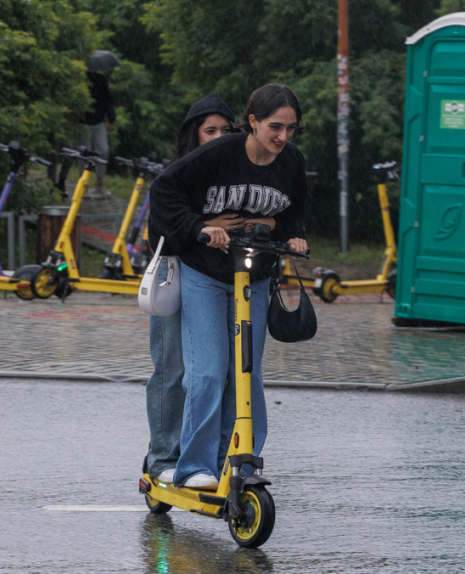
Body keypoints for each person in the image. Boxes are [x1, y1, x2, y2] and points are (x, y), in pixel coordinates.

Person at [149, 84, 309, 490]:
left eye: (291, 129)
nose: (282, 138)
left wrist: (293, 236)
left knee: (247, 373)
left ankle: (242, 460)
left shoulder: (291, 162)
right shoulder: (220, 153)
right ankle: (194, 466)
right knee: (207, 370)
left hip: (253, 276)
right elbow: (165, 190)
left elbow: (295, 211)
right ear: (252, 121)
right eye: (275, 127)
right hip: (204, 273)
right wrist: (200, 228)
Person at [146, 94, 244, 484]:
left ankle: (210, 458)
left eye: (225, 130)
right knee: (173, 370)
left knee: (217, 372)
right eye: (210, 130)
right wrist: (204, 224)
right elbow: (163, 229)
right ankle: (162, 460)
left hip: (220, 281)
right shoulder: (177, 175)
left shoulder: (238, 176)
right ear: (194, 135)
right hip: (176, 279)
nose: (219, 137)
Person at [78, 70, 115, 195]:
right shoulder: (81, 79)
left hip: (99, 122)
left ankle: (99, 180)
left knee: (103, 150)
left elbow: (108, 100)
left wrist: (111, 119)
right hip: (83, 122)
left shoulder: (102, 79)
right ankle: (83, 185)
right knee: (85, 154)